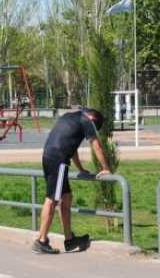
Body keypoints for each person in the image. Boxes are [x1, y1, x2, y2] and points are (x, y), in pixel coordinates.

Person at [33, 108, 112, 254]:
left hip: (50, 156)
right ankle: (42, 240)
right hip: (58, 160)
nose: (93, 129)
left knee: (66, 197)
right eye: (95, 127)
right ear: (93, 119)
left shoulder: (70, 117)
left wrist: (81, 168)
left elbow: (72, 148)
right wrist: (106, 168)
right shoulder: (87, 120)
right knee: (52, 199)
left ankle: (69, 239)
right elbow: (96, 146)